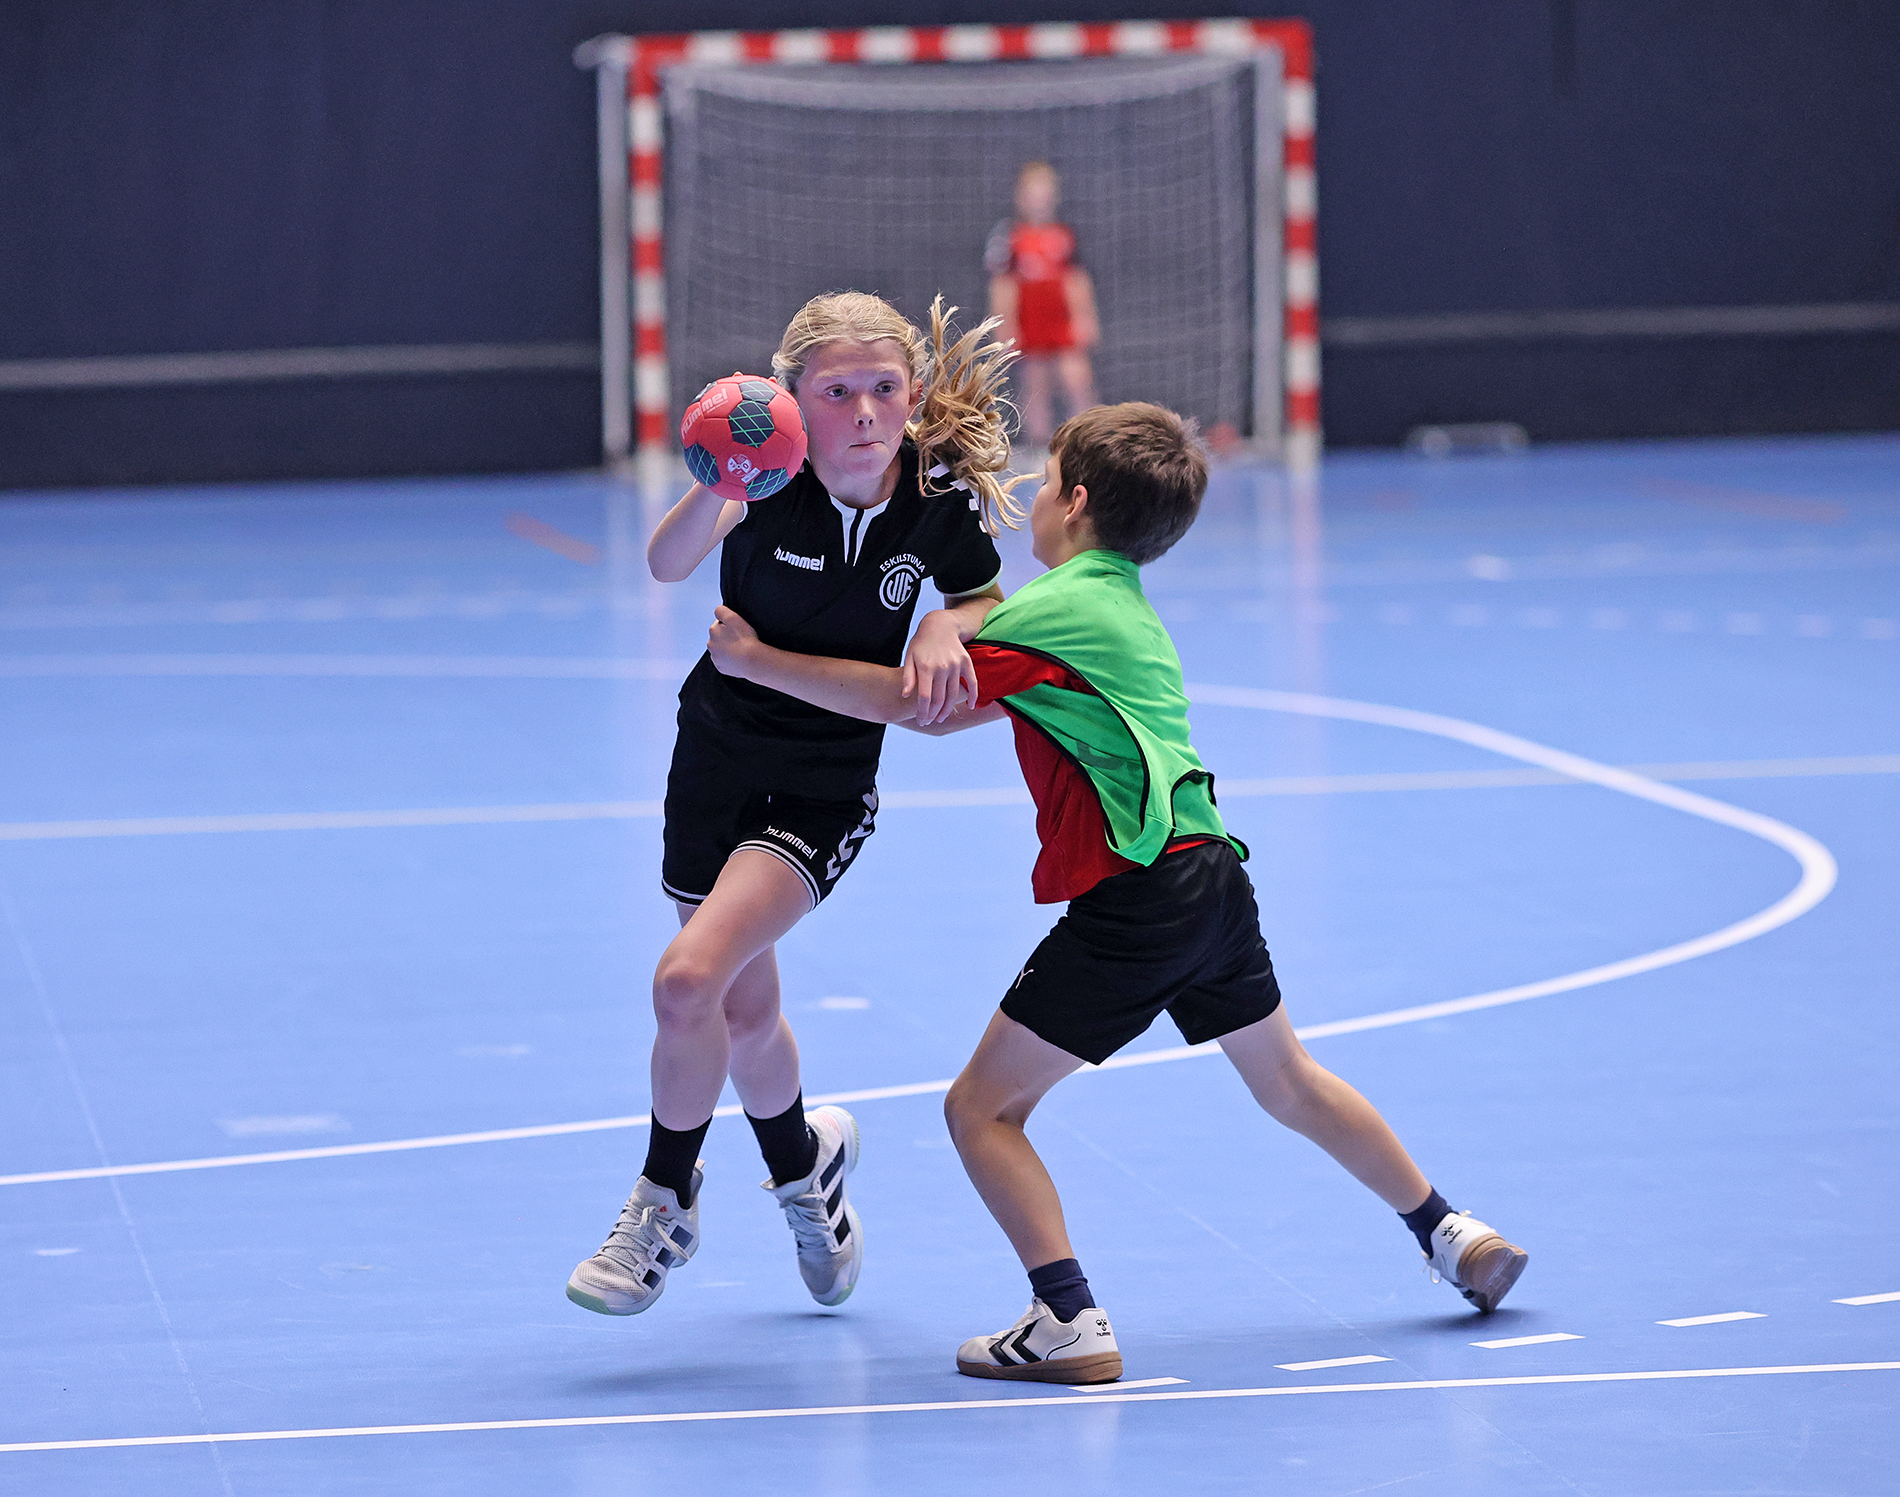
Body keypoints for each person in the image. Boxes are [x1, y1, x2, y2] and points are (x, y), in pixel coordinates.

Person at [704, 402, 1528, 1382]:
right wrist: (944, 624)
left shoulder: (1052, 610)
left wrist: (754, 662)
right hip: (1211, 874)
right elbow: (973, 701)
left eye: (1047, 482)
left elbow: (912, 709)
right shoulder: (1117, 607)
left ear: (1079, 501)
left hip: (1136, 895)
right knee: (1287, 1080)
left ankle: (1067, 1319)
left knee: (980, 1111)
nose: (1035, 501)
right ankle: (1451, 1232)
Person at [565, 293, 1025, 1320]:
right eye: (835, 392)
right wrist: (709, 477)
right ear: (791, 403)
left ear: (909, 398)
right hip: (716, 757)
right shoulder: (761, 476)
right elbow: (666, 563)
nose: (862, 411)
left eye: (882, 389)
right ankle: (806, 1170)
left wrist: (950, 625)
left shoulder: (935, 495)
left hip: (822, 783)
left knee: (687, 982)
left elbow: (980, 597)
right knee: (743, 1009)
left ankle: (663, 1203)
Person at [986, 162, 1099, 449]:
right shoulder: (1010, 237)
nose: (1039, 200)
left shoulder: (1064, 235)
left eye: (1045, 193)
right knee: (1035, 383)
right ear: (1020, 198)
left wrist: (1085, 317)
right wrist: (1005, 325)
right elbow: (1003, 284)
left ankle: (1089, 439)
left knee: (1076, 378)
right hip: (1031, 321)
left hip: (1061, 320)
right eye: (1033, 193)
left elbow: (1077, 279)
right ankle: (1039, 443)